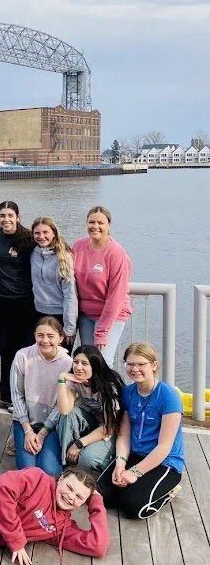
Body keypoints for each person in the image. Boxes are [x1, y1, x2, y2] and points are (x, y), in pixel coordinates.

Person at [97, 343, 184, 519]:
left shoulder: (169, 396)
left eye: (141, 364)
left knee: (132, 507)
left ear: (153, 365)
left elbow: (164, 447)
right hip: (136, 454)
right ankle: (132, 489)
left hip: (165, 462)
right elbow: (124, 435)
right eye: (130, 364)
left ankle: (169, 491)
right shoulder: (128, 392)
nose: (135, 369)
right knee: (101, 495)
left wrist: (135, 473)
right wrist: (121, 464)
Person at [10, 316, 72, 477]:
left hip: (52, 425)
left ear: (61, 338)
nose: (45, 340)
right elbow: (16, 396)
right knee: (29, 471)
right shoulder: (22, 356)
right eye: (40, 335)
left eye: (50, 336)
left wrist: (43, 433)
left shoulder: (68, 364)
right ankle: (17, 438)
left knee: (49, 471)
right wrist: (28, 431)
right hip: (25, 421)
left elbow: (62, 405)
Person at [73, 206, 132, 367]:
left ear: (109, 225)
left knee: (103, 363)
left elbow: (116, 296)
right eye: (91, 222)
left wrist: (102, 332)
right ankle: (89, 393)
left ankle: (110, 393)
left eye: (101, 223)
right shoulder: (78, 246)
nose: (95, 226)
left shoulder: (116, 253)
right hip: (86, 315)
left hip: (111, 317)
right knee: (87, 362)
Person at [0, 200, 37, 406]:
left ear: (18, 217)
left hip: (25, 300)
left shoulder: (28, 238)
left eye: (10, 216)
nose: (6, 219)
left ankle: (28, 395)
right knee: (6, 349)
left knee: (26, 349)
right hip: (2, 300)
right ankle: (9, 397)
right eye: (3, 216)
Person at [56, 345, 124, 473]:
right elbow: (64, 411)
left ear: (95, 366)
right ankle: (66, 465)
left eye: (85, 363)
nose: (78, 367)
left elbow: (108, 427)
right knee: (68, 416)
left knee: (87, 458)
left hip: (110, 430)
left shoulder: (109, 386)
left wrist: (79, 444)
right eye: (75, 362)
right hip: (91, 423)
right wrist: (62, 380)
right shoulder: (75, 380)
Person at [31, 217, 77, 350]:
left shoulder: (64, 257)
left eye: (46, 232)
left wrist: (69, 328)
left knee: (60, 359)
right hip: (38, 313)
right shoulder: (33, 253)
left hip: (60, 316)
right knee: (41, 358)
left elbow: (70, 295)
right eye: (37, 233)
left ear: (54, 233)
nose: (41, 236)